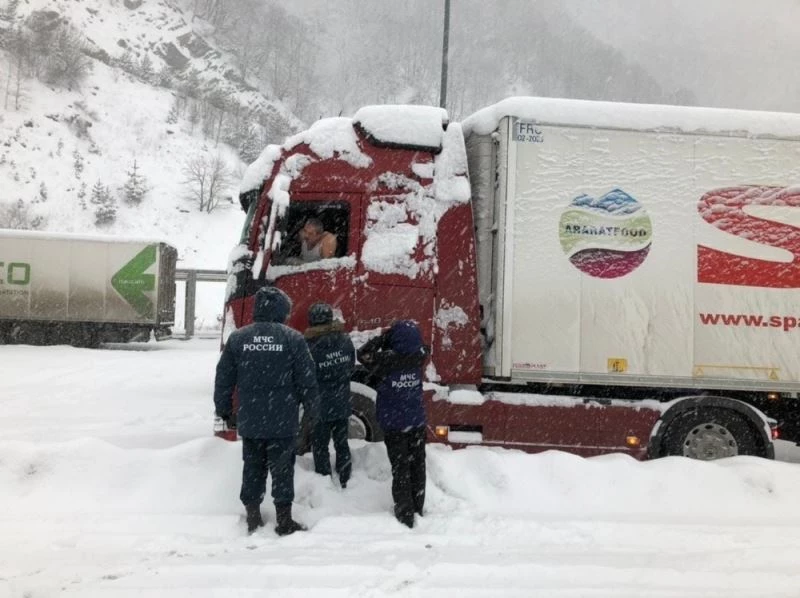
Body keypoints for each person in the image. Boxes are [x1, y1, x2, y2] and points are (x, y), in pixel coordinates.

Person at [214, 286, 319, 536]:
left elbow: (224, 378)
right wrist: (313, 410)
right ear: (282, 310)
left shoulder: (238, 338)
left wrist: (224, 409)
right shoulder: (293, 338)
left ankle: (253, 517)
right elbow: (307, 379)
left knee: (252, 467)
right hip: (283, 419)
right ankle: (284, 520)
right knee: (282, 469)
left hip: (251, 418)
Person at [357, 320, 429, 528]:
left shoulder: (385, 360)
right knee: (418, 464)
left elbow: (362, 354)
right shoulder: (420, 355)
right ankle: (418, 506)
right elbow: (423, 346)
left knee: (401, 468)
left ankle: (405, 513)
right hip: (416, 421)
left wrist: (383, 338)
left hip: (395, 423)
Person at [304, 302, 356, 487]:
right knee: (342, 443)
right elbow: (351, 365)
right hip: (342, 401)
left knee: (320, 446)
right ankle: (345, 477)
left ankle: (324, 478)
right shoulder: (344, 339)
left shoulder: (309, 346)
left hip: (320, 406)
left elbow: (306, 375)